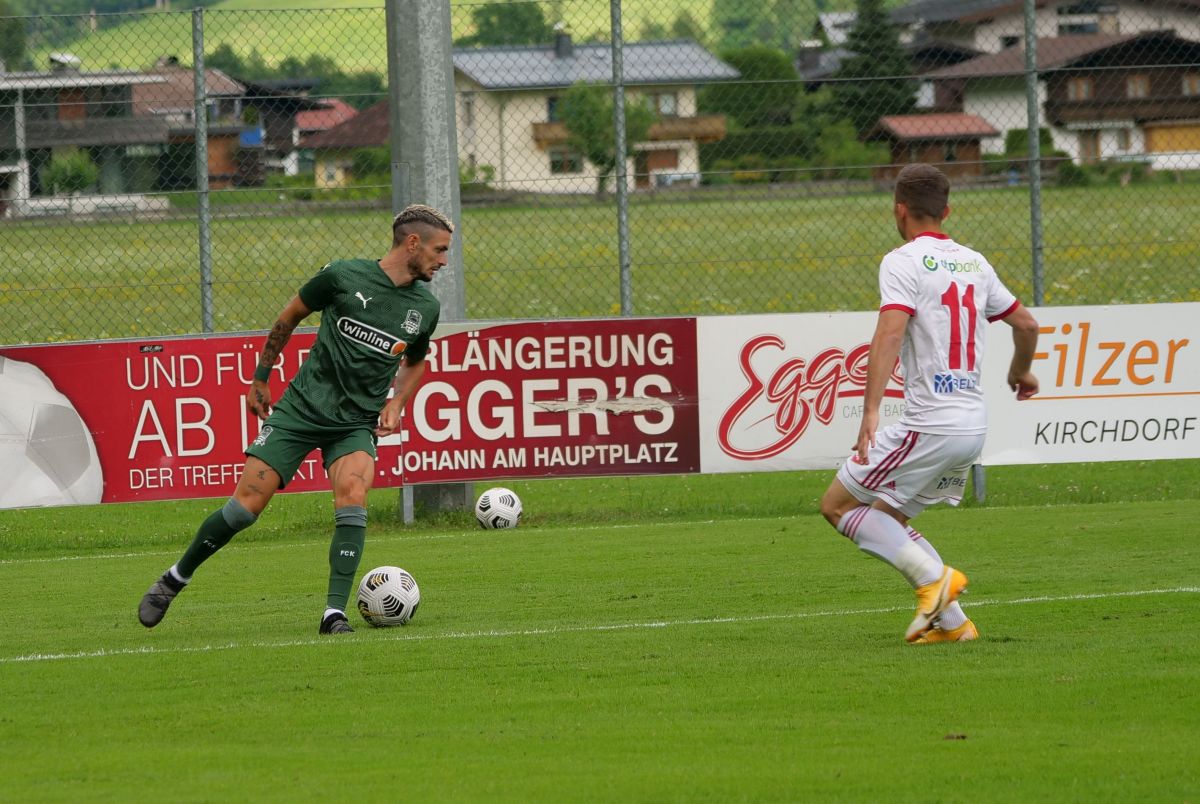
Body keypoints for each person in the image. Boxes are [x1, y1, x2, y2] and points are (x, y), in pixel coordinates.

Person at [138, 204, 454, 635]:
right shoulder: (342, 276)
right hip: (301, 410)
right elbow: (289, 317)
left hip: (354, 423)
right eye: (439, 249)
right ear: (412, 243)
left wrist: (397, 401)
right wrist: (260, 379)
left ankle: (333, 614)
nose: (444, 260)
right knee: (245, 508)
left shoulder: (424, 308)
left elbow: (416, 362)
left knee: (353, 493)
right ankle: (175, 578)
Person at [819, 163, 1039, 644]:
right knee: (889, 520)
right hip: (970, 429)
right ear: (947, 210)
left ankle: (935, 582)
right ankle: (955, 626)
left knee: (837, 506)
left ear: (899, 209)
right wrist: (1019, 372)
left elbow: (891, 331)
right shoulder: (976, 263)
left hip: (929, 424)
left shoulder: (902, 260)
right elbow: (1025, 323)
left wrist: (872, 409)